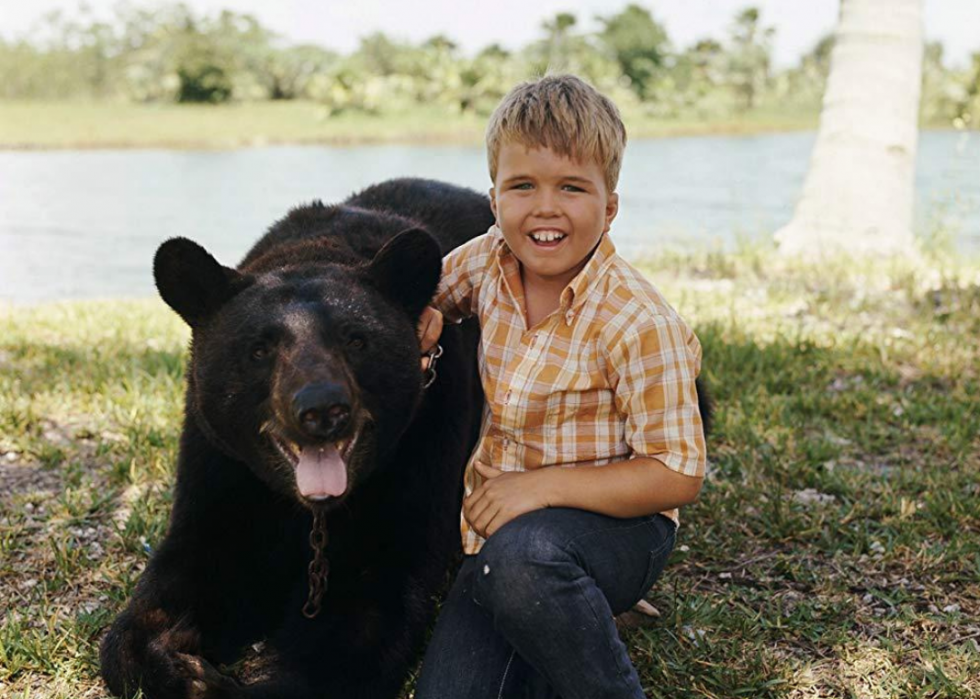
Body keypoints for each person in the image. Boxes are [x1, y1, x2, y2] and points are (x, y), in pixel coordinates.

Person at [413, 74, 706, 699]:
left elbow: (677, 472)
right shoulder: (489, 261)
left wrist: (540, 488)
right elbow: (426, 294)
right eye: (523, 186)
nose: (545, 208)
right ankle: (563, 624)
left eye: (572, 187)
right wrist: (419, 320)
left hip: (620, 528)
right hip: (497, 542)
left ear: (610, 206)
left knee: (528, 563)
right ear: (494, 199)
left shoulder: (638, 321)